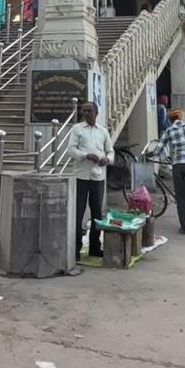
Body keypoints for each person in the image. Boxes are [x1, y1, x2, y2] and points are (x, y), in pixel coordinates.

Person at [66, 101, 114, 260]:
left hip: (98, 176)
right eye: (83, 111)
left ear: (96, 112)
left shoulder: (103, 131)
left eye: (88, 111)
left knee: (97, 214)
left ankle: (94, 247)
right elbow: (71, 150)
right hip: (81, 176)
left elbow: (110, 151)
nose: (85, 113)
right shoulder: (77, 129)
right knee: (78, 213)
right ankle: (75, 249)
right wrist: (86, 155)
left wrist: (107, 159)